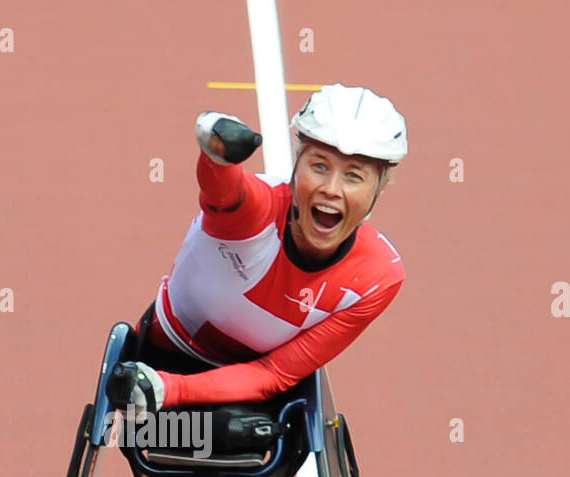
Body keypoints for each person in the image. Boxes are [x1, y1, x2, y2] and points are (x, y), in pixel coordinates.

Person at [107, 83, 407, 415]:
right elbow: (224, 190)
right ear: (297, 163)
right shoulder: (258, 212)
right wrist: (218, 155)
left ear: (380, 188)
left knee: (234, 433)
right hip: (164, 355)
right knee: (181, 437)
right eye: (319, 166)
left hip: (251, 392)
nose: (331, 189)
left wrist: (171, 390)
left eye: (354, 176)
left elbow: (274, 374)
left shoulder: (378, 277)